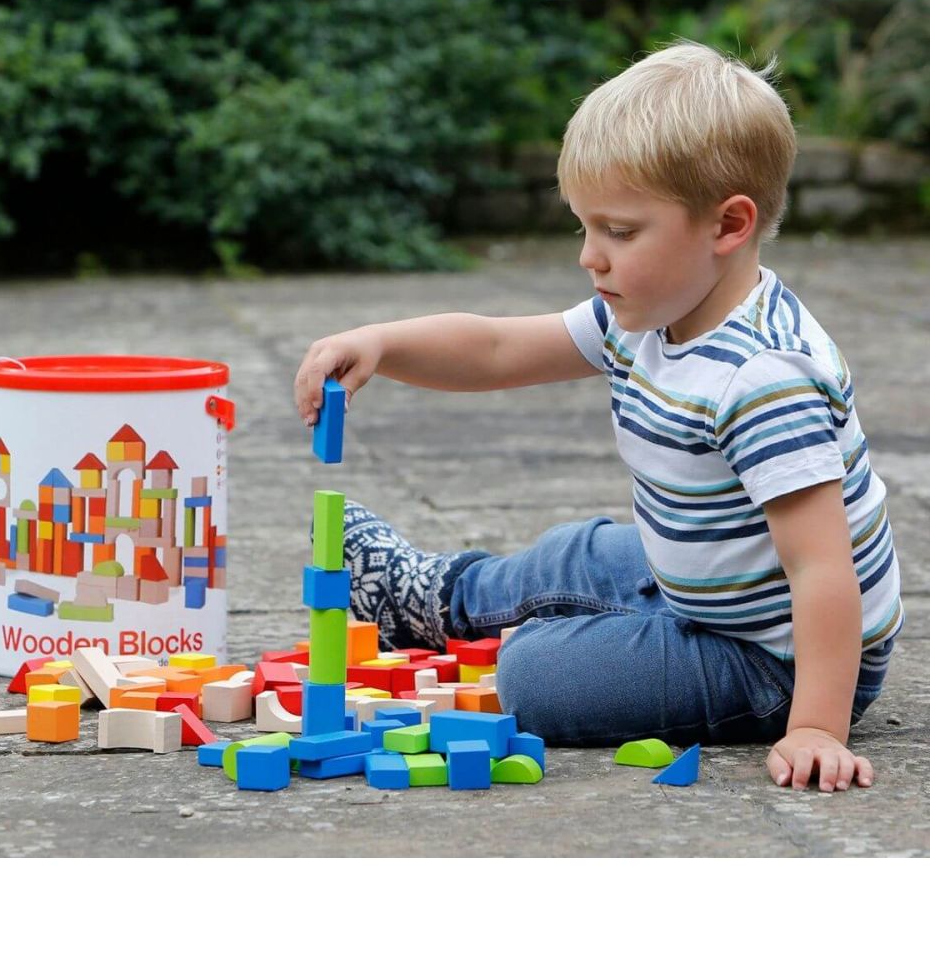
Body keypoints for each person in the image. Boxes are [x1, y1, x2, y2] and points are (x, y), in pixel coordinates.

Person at [293, 42, 903, 792]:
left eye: (619, 231)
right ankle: (436, 595)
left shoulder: (763, 378)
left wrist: (815, 726)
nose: (591, 256)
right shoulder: (647, 314)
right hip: (705, 576)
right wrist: (380, 345)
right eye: (585, 227)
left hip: (778, 658)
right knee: (574, 554)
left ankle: (547, 633)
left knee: (534, 676)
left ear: (728, 225)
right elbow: (494, 349)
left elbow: (822, 567)